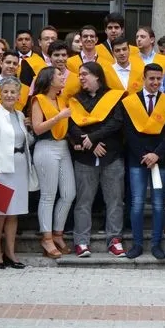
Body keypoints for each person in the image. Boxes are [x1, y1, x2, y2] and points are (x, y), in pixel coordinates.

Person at [67, 62, 127, 258]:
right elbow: (72, 126)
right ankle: (81, 241)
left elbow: (116, 122)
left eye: (85, 74)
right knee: (83, 201)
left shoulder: (114, 97)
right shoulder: (75, 99)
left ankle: (114, 240)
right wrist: (92, 144)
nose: (81, 78)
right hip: (85, 158)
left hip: (112, 156)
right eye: (80, 75)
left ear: (97, 76)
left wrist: (93, 137)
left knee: (115, 200)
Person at [122, 63, 165, 259]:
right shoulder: (130, 102)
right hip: (138, 160)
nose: (155, 82)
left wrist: (157, 155)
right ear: (143, 78)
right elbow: (128, 132)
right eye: (151, 78)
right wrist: (144, 155)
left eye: (158, 79)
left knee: (159, 204)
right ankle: (136, 244)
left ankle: (156, 244)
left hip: (160, 159)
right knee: (136, 203)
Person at [0, 77, 33, 269]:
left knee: (14, 213)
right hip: (0, 168)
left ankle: (11, 253)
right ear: (0, 94)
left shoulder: (19, 115)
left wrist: (30, 129)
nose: (9, 95)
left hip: (19, 166)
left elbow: (25, 141)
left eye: (13, 92)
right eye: (6, 92)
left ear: (19, 96)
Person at [30, 66, 75, 258]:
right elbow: (37, 128)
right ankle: (46, 237)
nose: (63, 77)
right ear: (49, 79)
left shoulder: (62, 99)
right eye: (59, 75)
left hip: (63, 146)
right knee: (48, 195)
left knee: (68, 193)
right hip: (46, 147)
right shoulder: (38, 100)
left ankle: (58, 233)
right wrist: (58, 117)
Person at [136, 26, 165, 93]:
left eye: (142, 37)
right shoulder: (131, 59)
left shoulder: (164, 60)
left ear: (152, 40)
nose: (139, 39)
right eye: (137, 37)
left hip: (159, 101)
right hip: (136, 100)